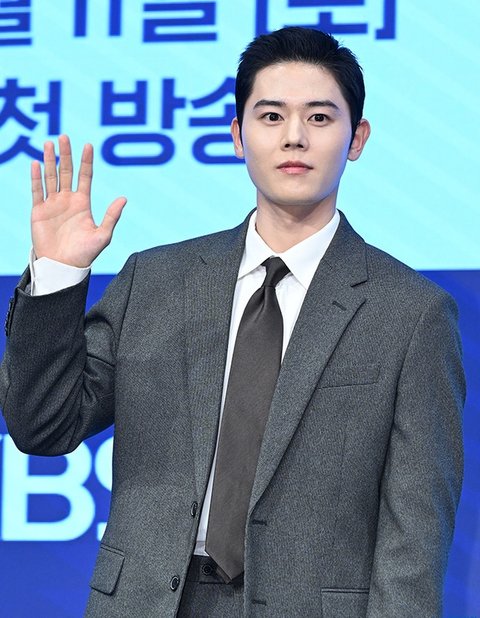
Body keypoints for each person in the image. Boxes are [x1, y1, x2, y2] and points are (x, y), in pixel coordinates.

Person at [0, 27, 464, 618]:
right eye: (271, 116)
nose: (294, 136)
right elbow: (42, 426)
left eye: (320, 117)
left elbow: (416, 532)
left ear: (357, 138)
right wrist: (58, 275)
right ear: (238, 136)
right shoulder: (156, 281)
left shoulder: (411, 313)